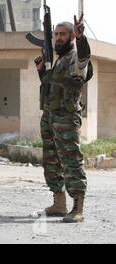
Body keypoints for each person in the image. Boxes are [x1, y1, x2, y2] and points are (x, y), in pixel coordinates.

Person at [35, 15, 91, 223]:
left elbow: (85, 57)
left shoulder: (76, 57)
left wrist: (82, 37)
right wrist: (42, 71)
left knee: (71, 161)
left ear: (71, 37)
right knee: (51, 160)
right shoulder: (57, 61)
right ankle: (59, 203)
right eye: (56, 34)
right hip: (50, 116)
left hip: (66, 118)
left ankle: (78, 207)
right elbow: (52, 86)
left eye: (62, 34)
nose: (58, 38)